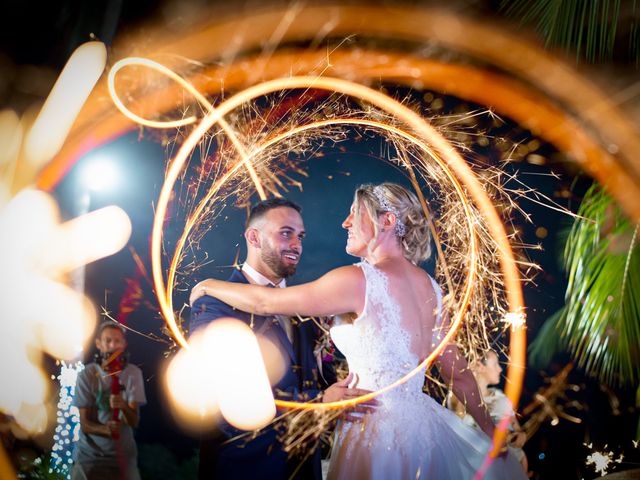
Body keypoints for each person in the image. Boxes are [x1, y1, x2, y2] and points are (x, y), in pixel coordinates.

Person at [191, 182, 527, 479]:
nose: (345, 222)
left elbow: (264, 303)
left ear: (387, 221)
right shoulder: (430, 288)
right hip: (422, 428)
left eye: (355, 213)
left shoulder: (356, 280)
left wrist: (208, 284)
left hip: (372, 428)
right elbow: (460, 374)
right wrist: (489, 430)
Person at [190, 198, 360, 480]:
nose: (296, 244)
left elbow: (321, 379)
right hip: (248, 468)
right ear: (253, 237)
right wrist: (319, 404)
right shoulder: (214, 305)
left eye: (300, 236)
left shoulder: (304, 307)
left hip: (305, 468)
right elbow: (230, 398)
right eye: (286, 233)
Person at [72, 322, 146, 480]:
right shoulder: (87, 375)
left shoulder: (133, 373)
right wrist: (106, 429)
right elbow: (84, 424)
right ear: (98, 344)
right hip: (89, 458)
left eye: (118, 341)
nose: (113, 345)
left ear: (124, 344)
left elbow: (134, 421)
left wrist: (124, 405)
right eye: (108, 340)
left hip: (124, 459)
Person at [449, 350, 529, 472]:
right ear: (480, 366)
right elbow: (458, 438)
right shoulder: (460, 400)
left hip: (515, 465)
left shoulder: (500, 397)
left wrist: (521, 435)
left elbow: (517, 428)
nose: (500, 369)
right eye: (495, 364)